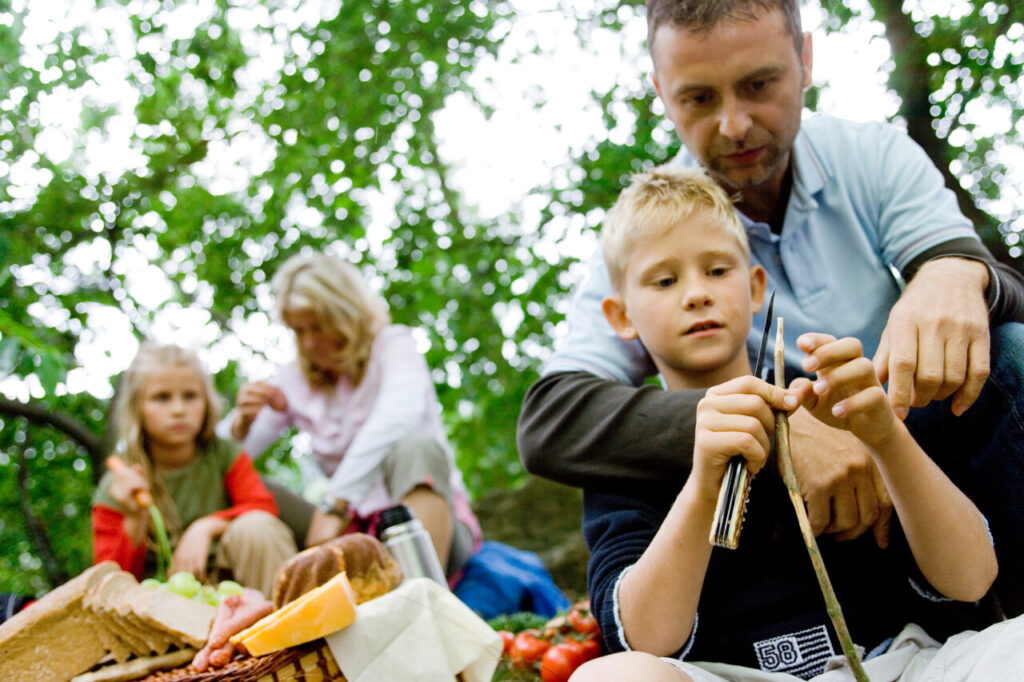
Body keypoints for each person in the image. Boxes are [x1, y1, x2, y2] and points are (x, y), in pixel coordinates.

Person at [517, 0, 1024, 614]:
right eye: (698, 99)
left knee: (1011, 355)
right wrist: (781, 430)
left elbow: (1001, 298)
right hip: (761, 478)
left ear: (805, 59)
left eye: (759, 85)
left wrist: (954, 271)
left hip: (905, 443)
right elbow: (552, 418)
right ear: (661, 92)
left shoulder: (873, 157)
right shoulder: (651, 230)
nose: (734, 125)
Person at [569, 164, 1018, 682]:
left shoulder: (829, 399)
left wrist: (887, 439)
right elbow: (645, 639)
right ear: (620, 316)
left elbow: (971, 580)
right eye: (665, 280)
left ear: (756, 286)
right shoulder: (624, 454)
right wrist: (702, 482)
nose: (696, 294)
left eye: (717, 270)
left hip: (900, 661)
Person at [222, 253, 482, 581]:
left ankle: (422, 600)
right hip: (351, 536)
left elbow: (396, 416)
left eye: (317, 326)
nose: (309, 342)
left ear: (344, 313)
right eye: (298, 331)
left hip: (424, 529)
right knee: (248, 484)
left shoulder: (393, 346)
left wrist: (335, 502)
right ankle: (291, 612)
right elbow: (223, 457)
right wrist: (242, 424)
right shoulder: (293, 379)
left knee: (417, 448)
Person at [93, 343, 296, 597]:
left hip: (234, 586)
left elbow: (262, 506)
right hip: (161, 607)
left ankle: (292, 627)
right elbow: (109, 583)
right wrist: (134, 519)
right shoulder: (119, 484)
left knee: (257, 526)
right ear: (137, 408)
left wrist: (205, 527)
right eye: (162, 398)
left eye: (190, 396)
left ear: (207, 402)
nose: (178, 410)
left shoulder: (223, 453)